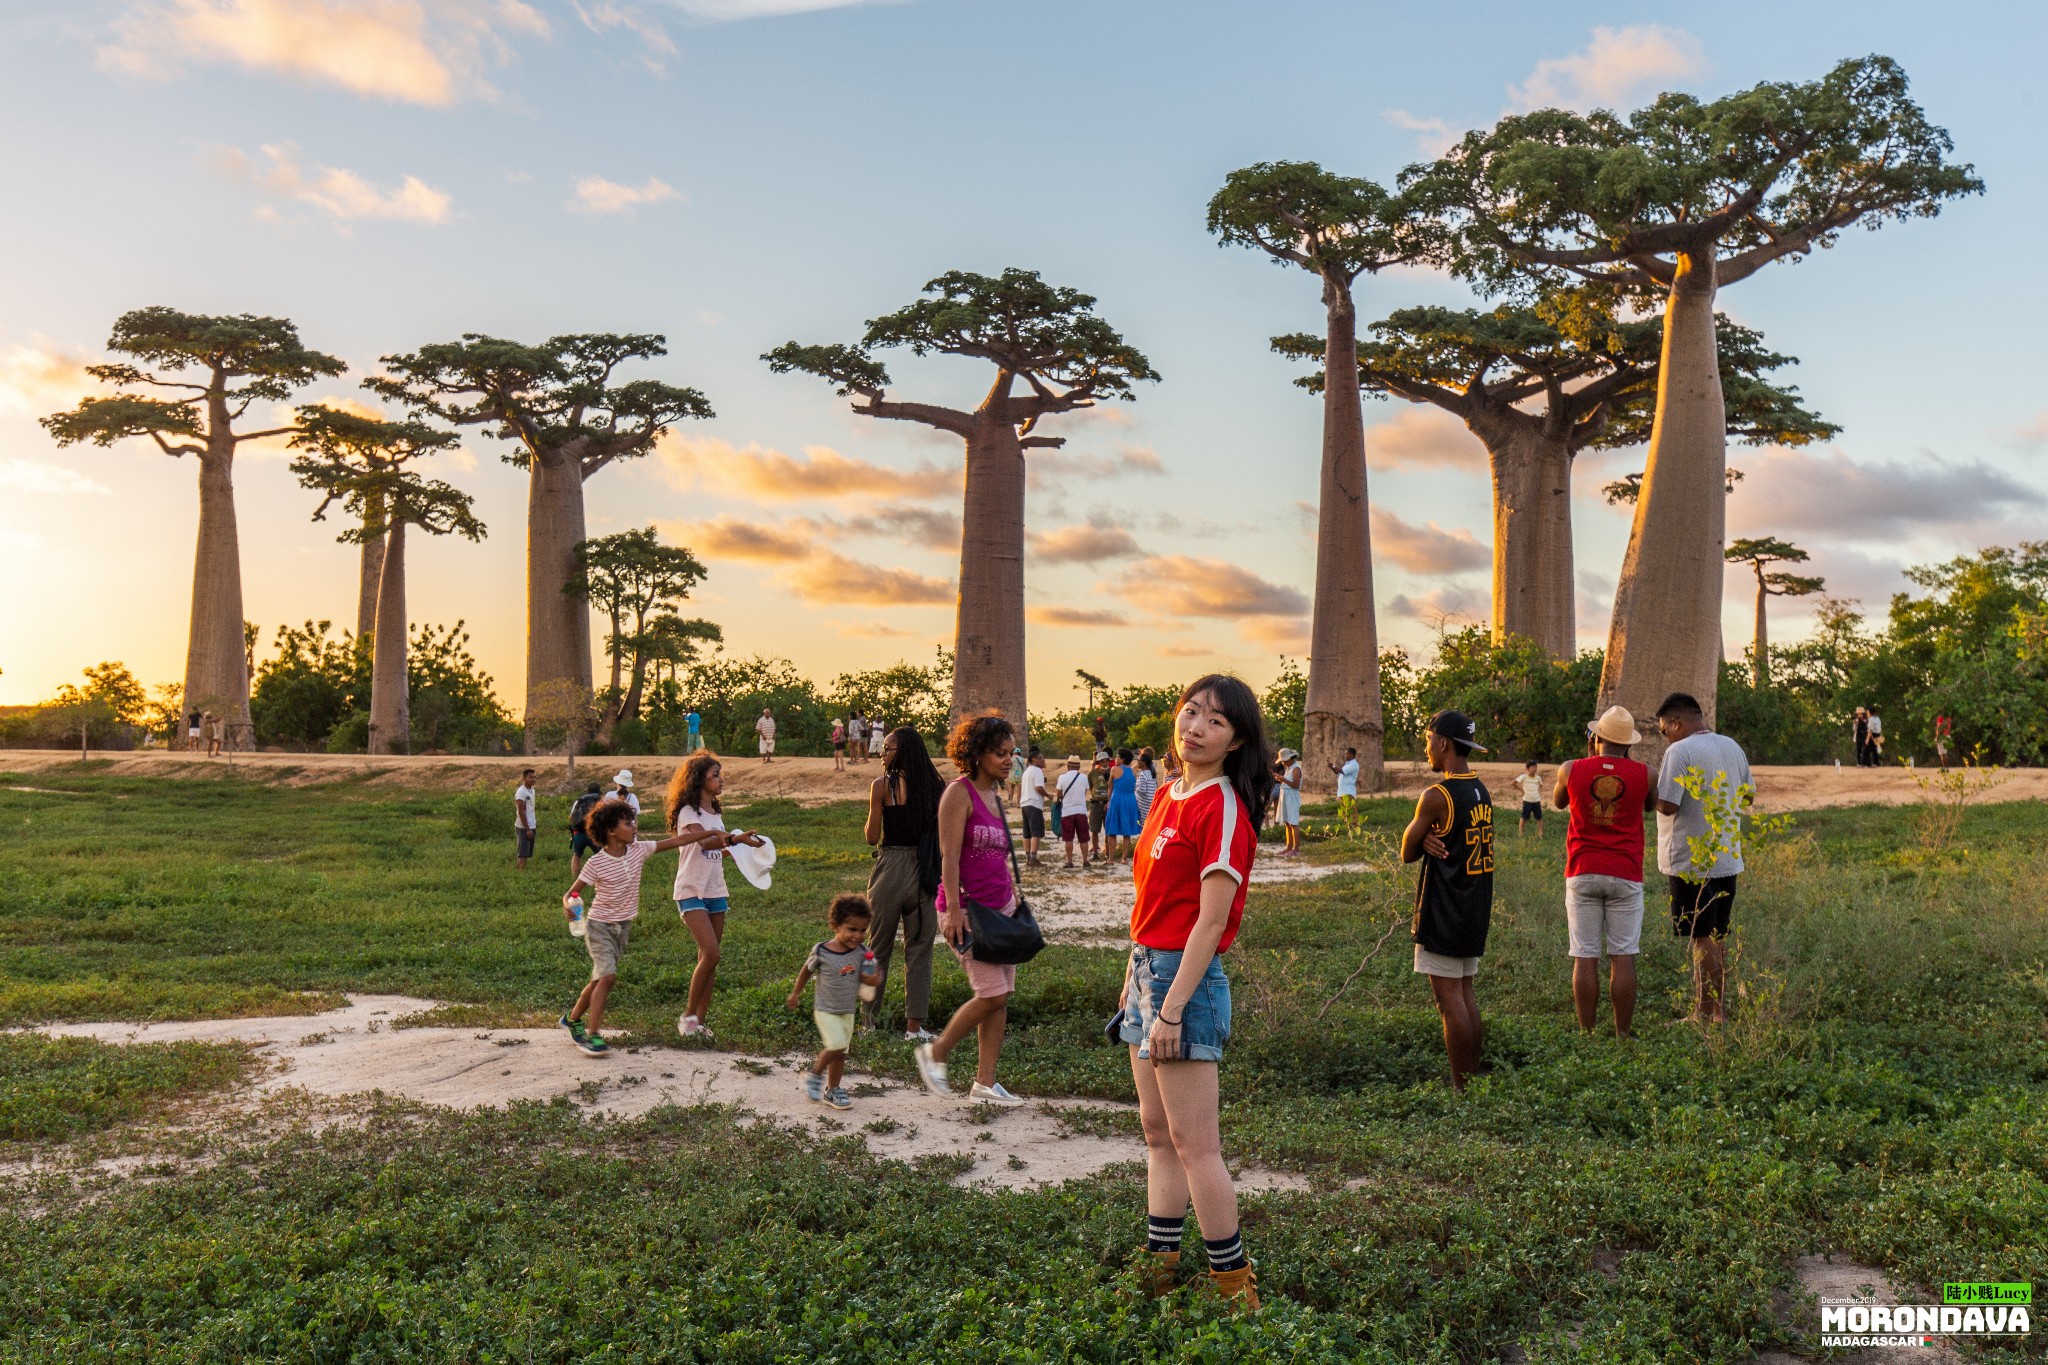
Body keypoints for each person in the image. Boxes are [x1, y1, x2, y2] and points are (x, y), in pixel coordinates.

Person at [1120, 674, 1273, 1310]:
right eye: (1190, 712)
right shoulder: (1168, 795)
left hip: (1184, 980)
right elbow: (1149, 902)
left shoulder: (1223, 807)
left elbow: (1211, 922)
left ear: (1236, 742)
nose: (1196, 728)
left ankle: (1235, 1289)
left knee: (1196, 1145)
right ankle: (1162, 1264)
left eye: (1215, 721)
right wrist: (1134, 986)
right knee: (1156, 1133)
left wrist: (1173, 1007)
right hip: (1144, 969)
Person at [914, 712, 1027, 1107]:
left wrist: (1013, 901)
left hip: (1001, 911)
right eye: (999, 753)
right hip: (968, 912)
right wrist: (956, 909)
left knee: (1000, 996)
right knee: (991, 995)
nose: (1007, 761)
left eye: (1011, 753)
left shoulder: (994, 797)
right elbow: (949, 856)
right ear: (977, 753)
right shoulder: (958, 793)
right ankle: (936, 1052)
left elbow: (995, 858)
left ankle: (984, 1083)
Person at [558, 799, 720, 1056]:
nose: (634, 827)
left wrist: (710, 832)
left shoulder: (639, 850)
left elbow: (677, 841)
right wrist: (569, 905)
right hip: (599, 926)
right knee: (608, 977)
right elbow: (571, 893)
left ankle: (573, 1017)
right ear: (611, 831)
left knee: (599, 978)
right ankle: (592, 1034)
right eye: (627, 823)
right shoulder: (596, 863)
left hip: (622, 927)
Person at [1401, 711, 1493, 1091]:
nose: (1426, 748)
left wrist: (1420, 840)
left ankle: (1461, 1086)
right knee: (1465, 992)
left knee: (1448, 1000)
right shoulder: (1480, 790)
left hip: (1446, 908)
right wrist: (1429, 840)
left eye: (1428, 740)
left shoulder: (1437, 795)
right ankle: (1471, 1075)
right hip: (1474, 905)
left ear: (1444, 744)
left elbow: (1406, 850)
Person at [1550, 708, 1655, 1038]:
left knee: (1584, 956)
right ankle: (1623, 1033)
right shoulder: (1646, 773)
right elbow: (1650, 806)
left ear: (1596, 739)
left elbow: (1557, 803)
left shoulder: (1570, 769)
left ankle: (1587, 1032)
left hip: (1582, 870)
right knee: (1623, 956)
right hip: (1625, 873)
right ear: (1628, 745)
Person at [1654, 692, 1753, 1026]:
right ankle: (1715, 1010)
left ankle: (1707, 1013)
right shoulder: (1732, 746)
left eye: (1663, 729)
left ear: (1676, 722)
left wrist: (1649, 789)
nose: (1664, 735)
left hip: (1692, 860)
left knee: (1701, 934)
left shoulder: (1678, 751)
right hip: (1726, 856)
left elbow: (1668, 804)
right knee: (1718, 934)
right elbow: (1748, 795)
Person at [668, 753, 765, 1040]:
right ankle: (688, 1015)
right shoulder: (688, 811)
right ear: (700, 780)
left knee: (708, 960)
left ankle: (699, 1023)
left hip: (716, 890)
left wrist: (743, 851)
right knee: (712, 953)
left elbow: (716, 849)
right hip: (690, 889)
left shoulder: (716, 814)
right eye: (715, 775)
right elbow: (704, 841)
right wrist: (733, 839)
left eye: (720, 774)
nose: (722, 779)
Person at [863, 726, 944, 1040]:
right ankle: (915, 1028)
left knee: (877, 948)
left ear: (902, 752)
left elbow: (872, 837)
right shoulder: (938, 787)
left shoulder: (882, 785)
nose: (883, 754)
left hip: (890, 868)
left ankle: (869, 1023)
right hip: (925, 871)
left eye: (888, 748)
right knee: (920, 951)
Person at [786, 894, 882, 1111]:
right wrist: (795, 993)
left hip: (847, 1010)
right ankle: (813, 1075)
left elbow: (872, 976)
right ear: (835, 926)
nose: (857, 935)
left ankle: (833, 1090)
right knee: (835, 1044)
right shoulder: (822, 950)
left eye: (862, 930)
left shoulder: (863, 953)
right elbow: (806, 971)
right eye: (851, 929)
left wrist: (874, 978)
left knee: (841, 1053)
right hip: (825, 1009)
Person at [1104, 746, 1142, 864]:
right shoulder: (1133, 770)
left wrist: (1108, 800)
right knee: (1127, 832)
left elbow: (1110, 785)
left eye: (1118, 757)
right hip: (1130, 800)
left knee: (1112, 831)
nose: (1115, 758)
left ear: (1123, 759)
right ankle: (1124, 858)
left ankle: (1111, 858)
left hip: (1117, 799)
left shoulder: (1115, 769)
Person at [1055, 754, 1090, 868]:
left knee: (1068, 838)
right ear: (1078, 766)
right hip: (1081, 810)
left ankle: (1070, 861)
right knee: (1083, 838)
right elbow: (1084, 793)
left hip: (1067, 811)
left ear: (1068, 765)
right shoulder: (1084, 777)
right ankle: (1085, 861)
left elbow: (1059, 795)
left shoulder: (1062, 777)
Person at [566, 782, 605, 878]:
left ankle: (575, 878)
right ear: (599, 791)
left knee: (577, 855)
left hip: (579, 833)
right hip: (594, 834)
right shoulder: (601, 801)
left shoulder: (579, 800)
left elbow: (571, 817)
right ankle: (600, 877)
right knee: (601, 857)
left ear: (587, 790)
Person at [1019, 747, 1048, 867]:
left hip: (1024, 803)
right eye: (1040, 758)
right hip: (1034, 803)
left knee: (1027, 832)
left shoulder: (1026, 771)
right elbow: (1039, 788)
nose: (1042, 760)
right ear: (1033, 759)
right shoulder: (1037, 771)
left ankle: (1027, 858)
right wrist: (1048, 795)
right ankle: (1033, 858)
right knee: (1036, 832)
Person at [1275, 748, 1304, 855]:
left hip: (1292, 796)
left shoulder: (1296, 768)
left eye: (1283, 760)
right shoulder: (1289, 768)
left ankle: (1296, 849)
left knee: (1293, 823)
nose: (1282, 762)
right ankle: (1289, 847)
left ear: (1289, 758)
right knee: (1287, 823)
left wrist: (1283, 780)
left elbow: (1295, 785)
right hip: (1285, 796)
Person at [513, 768, 538, 869]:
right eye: (530, 777)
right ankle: (519, 874)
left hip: (532, 824)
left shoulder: (532, 791)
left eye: (534, 777)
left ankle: (520, 870)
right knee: (522, 852)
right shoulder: (521, 792)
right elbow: (521, 811)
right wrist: (527, 829)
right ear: (524, 778)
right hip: (523, 826)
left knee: (527, 852)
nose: (533, 779)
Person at [1514, 760, 1545, 838]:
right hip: (1527, 800)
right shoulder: (1523, 777)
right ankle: (1520, 833)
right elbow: (1513, 783)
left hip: (1536, 800)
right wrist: (1522, 791)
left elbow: (1541, 785)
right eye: (1533, 767)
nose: (1535, 769)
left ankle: (1541, 834)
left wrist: (1537, 792)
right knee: (1524, 817)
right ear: (1527, 768)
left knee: (1539, 818)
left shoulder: (1538, 778)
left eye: (1536, 767)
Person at [1134, 748, 1159, 822]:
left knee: (1143, 825)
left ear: (1143, 762)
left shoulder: (1143, 774)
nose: (1137, 762)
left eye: (1138, 761)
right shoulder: (1151, 772)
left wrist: (1134, 788)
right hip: (1150, 803)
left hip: (1143, 805)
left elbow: (1142, 790)